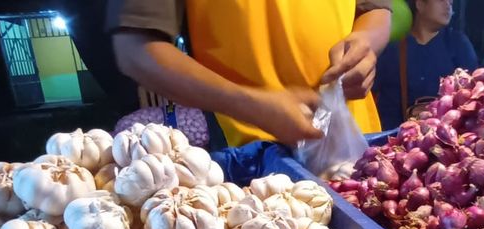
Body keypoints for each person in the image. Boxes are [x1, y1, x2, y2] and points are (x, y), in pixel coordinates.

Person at [107, 1, 392, 148]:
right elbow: (136, 50)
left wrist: (366, 41)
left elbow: (376, 8)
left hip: (358, 139)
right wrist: (252, 105)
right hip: (253, 158)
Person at [373, 0, 478, 130]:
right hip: (396, 140)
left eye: (451, 2)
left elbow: (473, 95)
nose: (448, 5)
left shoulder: (458, 44)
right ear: (420, 4)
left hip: (446, 140)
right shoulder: (391, 47)